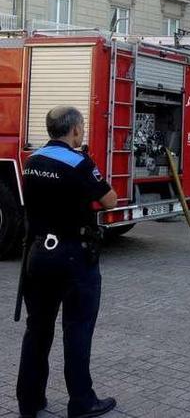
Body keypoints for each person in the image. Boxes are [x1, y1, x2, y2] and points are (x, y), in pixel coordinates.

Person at [16, 107, 119, 418]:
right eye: (82, 127)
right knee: (77, 329)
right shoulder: (79, 162)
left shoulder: (32, 161)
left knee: (38, 330)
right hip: (74, 256)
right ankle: (81, 402)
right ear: (74, 130)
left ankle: (30, 401)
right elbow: (110, 200)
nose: (83, 132)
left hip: (38, 256)